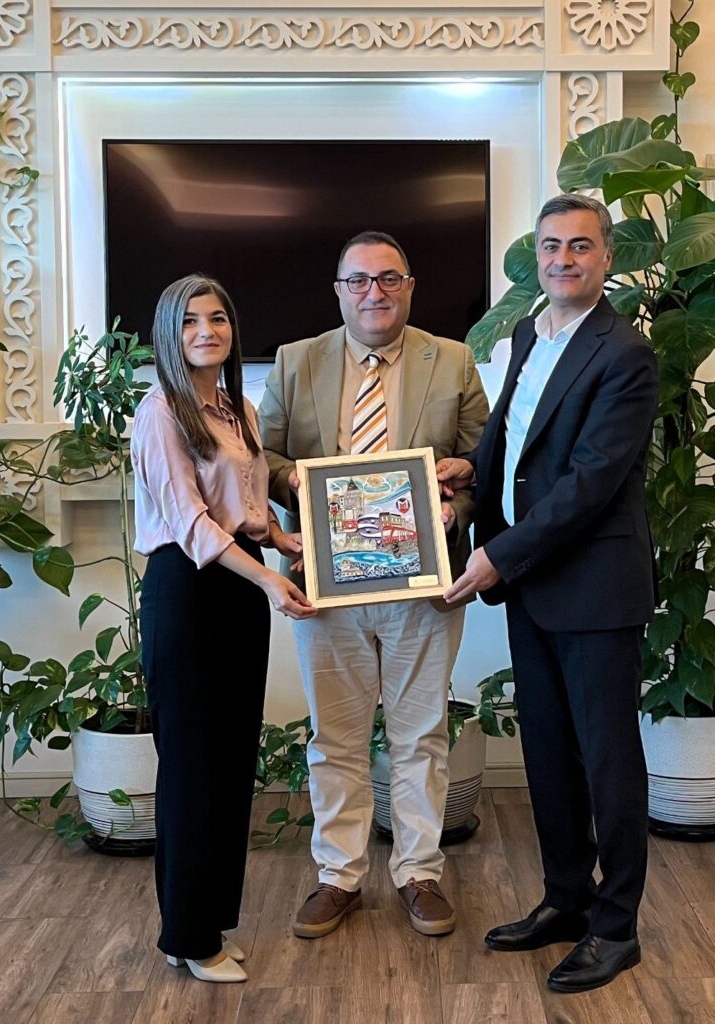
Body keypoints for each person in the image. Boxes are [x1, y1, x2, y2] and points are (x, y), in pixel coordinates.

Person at [439, 194, 658, 993]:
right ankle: (567, 899)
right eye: (551, 246)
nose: (563, 259)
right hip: (535, 585)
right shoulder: (532, 332)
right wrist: (473, 467)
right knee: (548, 754)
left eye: (580, 246)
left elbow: (590, 483)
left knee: (607, 761)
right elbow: (515, 431)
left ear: (607, 257)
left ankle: (616, 925)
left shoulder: (625, 353)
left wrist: (497, 556)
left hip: (594, 587)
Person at [258, 230, 489, 939]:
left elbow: (483, 456)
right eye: (358, 280)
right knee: (336, 739)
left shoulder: (451, 359)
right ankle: (339, 877)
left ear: (409, 287)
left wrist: (456, 505)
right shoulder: (296, 361)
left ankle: (419, 872)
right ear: (338, 291)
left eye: (389, 279)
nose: (374, 293)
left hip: (424, 584)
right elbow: (263, 455)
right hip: (327, 587)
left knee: (420, 734)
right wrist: (298, 483)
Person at [131, 273, 316, 984]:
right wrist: (269, 578)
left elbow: (244, 510)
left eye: (216, 318)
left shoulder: (239, 408)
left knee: (230, 760)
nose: (205, 331)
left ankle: (206, 925)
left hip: (238, 587)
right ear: (168, 334)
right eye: (189, 321)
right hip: (188, 590)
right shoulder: (161, 410)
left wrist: (284, 542)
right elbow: (191, 523)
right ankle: (187, 935)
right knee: (191, 765)